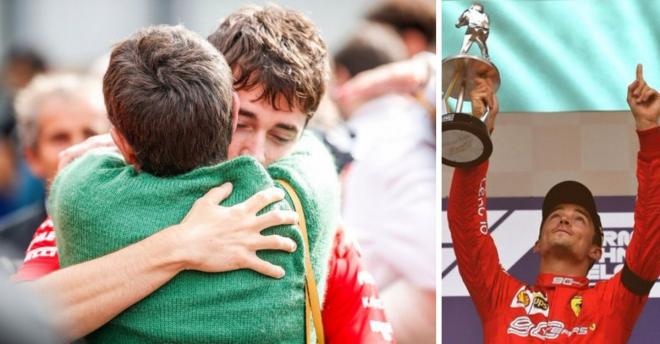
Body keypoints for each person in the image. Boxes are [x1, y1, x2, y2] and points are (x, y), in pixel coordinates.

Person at [14, 5, 392, 343]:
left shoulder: (305, 216)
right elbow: (22, 317)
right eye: (242, 124)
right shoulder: (98, 199)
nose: (256, 154)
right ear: (212, 103)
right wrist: (180, 245)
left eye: (282, 134)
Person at [446, 64, 659, 342]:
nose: (565, 218)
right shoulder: (499, 296)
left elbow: (652, 232)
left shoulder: (614, 302)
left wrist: (651, 133)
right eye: (555, 214)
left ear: (596, 251)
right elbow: (467, 229)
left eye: (580, 217)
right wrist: (477, 134)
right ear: (537, 244)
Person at [333, 37, 436, 341]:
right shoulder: (411, 127)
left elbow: (433, 278)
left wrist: (359, 332)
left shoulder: (382, 144)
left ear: (340, 76)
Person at [0, 73, 108, 258]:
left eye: (90, 133)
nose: (77, 148)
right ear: (32, 158)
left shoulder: (144, 229)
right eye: (59, 138)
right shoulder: (7, 248)